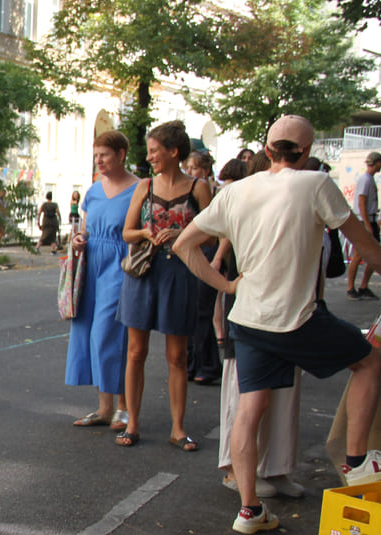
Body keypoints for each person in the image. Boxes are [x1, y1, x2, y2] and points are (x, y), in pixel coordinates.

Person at [177, 114, 381, 535]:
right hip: (295, 319)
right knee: (369, 361)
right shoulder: (315, 184)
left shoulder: (237, 191)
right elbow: (362, 239)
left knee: (250, 408)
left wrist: (226, 285)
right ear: (307, 151)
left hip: (247, 318)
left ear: (267, 151)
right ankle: (357, 462)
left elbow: (183, 244)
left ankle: (249, 510)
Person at [213, 155, 305, 500]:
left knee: (284, 395)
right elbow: (210, 246)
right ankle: (235, 470)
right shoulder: (244, 201)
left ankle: (277, 467)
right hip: (252, 315)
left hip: (291, 313)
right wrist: (227, 286)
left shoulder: (297, 201)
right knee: (244, 399)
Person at [117, 120, 213, 450]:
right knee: (135, 351)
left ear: (174, 152)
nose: (151, 156)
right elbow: (127, 231)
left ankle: (178, 428)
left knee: (177, 356)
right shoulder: (145, 186)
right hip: (144, 272)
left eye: (155, 150)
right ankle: (133, 424)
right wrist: (146, 233)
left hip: (180, 273)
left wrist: (183, 235)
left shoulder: (198, 188)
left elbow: (215, 231)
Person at [65, 130, 139, 431]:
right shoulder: (94, 190)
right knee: (87, 332)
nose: (98, 160)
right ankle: (104, 407)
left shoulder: (139, 189)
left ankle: (124, 406)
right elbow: (84, 229)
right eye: (96, 155)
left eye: (104, 155)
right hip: (91, 263)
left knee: (108, 333)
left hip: (119, 264)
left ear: (121, 154)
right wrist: (80, 239)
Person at [185, 150, 223, 386]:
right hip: (190, 250)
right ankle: (192, 362)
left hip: (208, 251)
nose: (190, 172)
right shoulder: (188, 191)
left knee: (202, 311)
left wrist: (218, 257)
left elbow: (221, 230)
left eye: (194, 168)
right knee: (189, 310)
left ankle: (207, 364)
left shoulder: (216, 192)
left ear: (206, 170)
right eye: (187, 168)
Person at [346, 151, 381, 301]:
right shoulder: (366, 179)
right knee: (359, 255)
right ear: (377, 163)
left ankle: (363, 286)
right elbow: (362, 201)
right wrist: (367, 224)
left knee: (374, 255)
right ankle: (351, 288)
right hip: (365, 220)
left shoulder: (368, 179)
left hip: (369, 219)